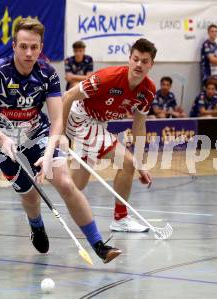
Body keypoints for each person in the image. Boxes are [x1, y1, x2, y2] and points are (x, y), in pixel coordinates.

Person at [0, 17, 121, 263]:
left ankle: (99, 245)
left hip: (37, 133)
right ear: (14, 45)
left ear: (41, 47)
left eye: (34, 47)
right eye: (23, 46)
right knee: (29, 194)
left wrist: (49, 153)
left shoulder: (47, 73)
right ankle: (36, 225)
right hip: (2, 139)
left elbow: (57, 119)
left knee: (65, 183)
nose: (29, 53)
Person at [62, 38, 155, 233]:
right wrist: (60, 136)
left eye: (144, 61)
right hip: (80, 118)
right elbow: (68, 96)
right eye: (136, 59)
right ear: (129, 59)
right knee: (126, 162)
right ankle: (120, 219)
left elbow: (139, 125)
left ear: (151, 65)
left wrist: (141, 162)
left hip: (98, 124)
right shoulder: (107, 77)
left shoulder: (148, 91)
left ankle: (36, 185)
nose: (139, 65)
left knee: (76, 185)